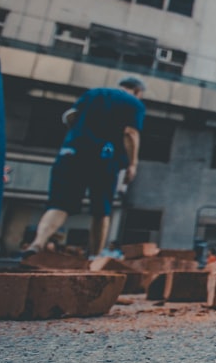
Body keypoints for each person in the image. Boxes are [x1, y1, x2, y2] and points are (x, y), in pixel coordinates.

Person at [22, 76, 146, 259]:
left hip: (72, 153)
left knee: (58, 205)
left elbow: (71, 117)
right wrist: (132, 164)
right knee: (101, 210)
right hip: (105, 157)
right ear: (138, 92)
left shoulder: (93, 93)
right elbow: (130, 133)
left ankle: (37, 243)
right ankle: (94, 256)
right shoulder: (134, 103)